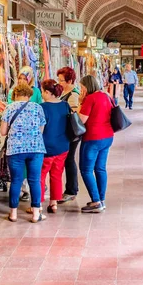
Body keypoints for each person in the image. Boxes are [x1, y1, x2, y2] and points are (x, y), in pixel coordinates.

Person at [1, 82, 46, 223]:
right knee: (34, 180)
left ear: (15, 94)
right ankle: (35, 214)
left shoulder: (9, 108)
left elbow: (3, 132)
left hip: (15, 149)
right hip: (35, 149)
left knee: (16, 181)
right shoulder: (37, 108)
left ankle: (13, 214)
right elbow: (41, 130)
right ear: (29, 95)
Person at [78, 75, 114, 213]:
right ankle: (101, 199)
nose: (81, 90)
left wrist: (80, 103)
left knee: (86, 170)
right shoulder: (105, 96)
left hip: (93, 138)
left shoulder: (90, 98)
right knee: (100, 168)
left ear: (87, 86)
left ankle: (95, 201)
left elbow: (82, 120)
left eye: (82, 87)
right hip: (107, 136)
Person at [40, 79, 70, 213]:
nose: (42, 95)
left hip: (46, 147)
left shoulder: (42, 107)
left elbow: (40, 129)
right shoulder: (65, 105)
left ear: (47, 92)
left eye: (42, 92)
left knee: (40, 175)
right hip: (63, 145)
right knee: (56, 175)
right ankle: (54, 203)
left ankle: (38, 203)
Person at [56, 67, 80, 203]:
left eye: (62, 80)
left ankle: (71, 190)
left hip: (71, 133)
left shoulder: (73, 95)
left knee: (69, 159)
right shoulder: (65, 91)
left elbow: (73, 116)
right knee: (67, 159)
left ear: (70, 80)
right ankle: (70, 189)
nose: (59, 83)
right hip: (65, 132)